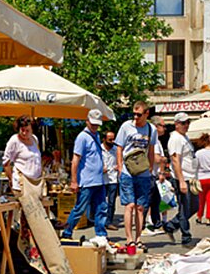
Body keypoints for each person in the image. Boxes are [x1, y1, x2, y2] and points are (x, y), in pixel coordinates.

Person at [114, 101, 157, 250]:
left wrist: (151, 168)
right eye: (134, 113)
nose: (135, 116)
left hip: (143, 172)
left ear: (146, 114)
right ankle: (129, 238)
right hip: (127, 171)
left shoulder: (151, 129)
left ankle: (139, 238)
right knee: (129, 205)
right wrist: (119, 167)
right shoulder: (126, 126)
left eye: (139, 114)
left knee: (140, 207)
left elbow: (151, 149)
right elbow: (119, 147)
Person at [61, 109, 108, 243]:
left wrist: (101, 165)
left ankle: (100, 234)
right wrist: (74, 181)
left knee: (101, 208)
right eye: (92, 124)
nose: (95, 127)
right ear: (87, 121)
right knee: (80, 208)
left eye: (97, 125)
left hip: (98, 180)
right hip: (87, 181)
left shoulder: (97, 135)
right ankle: (67, 232)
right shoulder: (82, 137)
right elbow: (75, 160)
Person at [164, 112, 198, 246]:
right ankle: (186, 237)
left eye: (188, 122)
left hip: (191, 177)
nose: (186, 125)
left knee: (194, 206)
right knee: (185, 207)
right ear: (176, 124)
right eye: (183, 123)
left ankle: (171, 225)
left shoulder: (185, 138)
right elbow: (175, 159)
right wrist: (181, 180)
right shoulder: (176, 139)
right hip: (182, 178)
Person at [2, 115, 42, 192]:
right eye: (22, 130)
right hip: (21, 184)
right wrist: (11, 180)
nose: (24, 133)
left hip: (35, 183)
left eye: (27, 130)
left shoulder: (35, 139)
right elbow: (6, 162)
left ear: (32, 130)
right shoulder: (15, 140)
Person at [145, 116, 168, 233]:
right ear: (155, 126)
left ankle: (156, 223)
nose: (165, 128)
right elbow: (156, 159)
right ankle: (147, 225)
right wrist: (164, 159)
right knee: (148, 202)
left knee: (157, 201)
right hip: (150, 175)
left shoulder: (157, 141)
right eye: (163, 126)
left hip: (154, 175)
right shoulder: (153, 141)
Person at [101, 130, 119, 231]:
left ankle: (109, 222)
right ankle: (100, 221)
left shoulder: (116, 150)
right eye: (110, 139)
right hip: (102, 179)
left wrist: (118, 165)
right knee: (101, 201)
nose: (112, 141)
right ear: (104, 139)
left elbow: (121, 160)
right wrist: (100, 167)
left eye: (113, 139)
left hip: (113, 178)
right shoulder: (99, 149)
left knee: (111, 202)